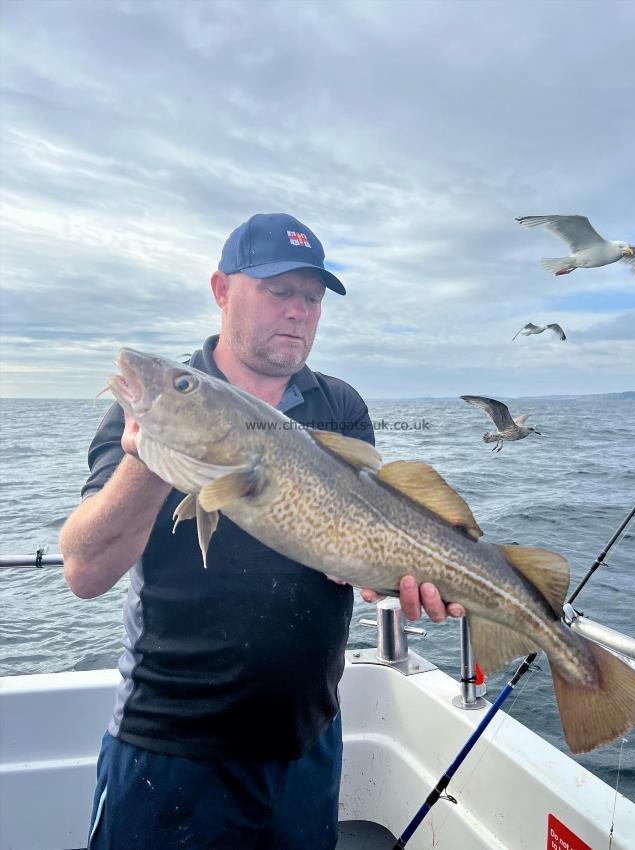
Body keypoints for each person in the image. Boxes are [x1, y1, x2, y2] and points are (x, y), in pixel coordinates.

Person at [60, 213, 464, 850]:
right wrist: (149, 456)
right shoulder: (161, 399)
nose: (299, 311)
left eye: (312, 297)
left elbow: (353, 545)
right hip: (170, 746)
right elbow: (84, 572)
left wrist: (393, 581)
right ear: (222, 290)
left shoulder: (339, 407)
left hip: (307, 741)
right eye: (279, 291)